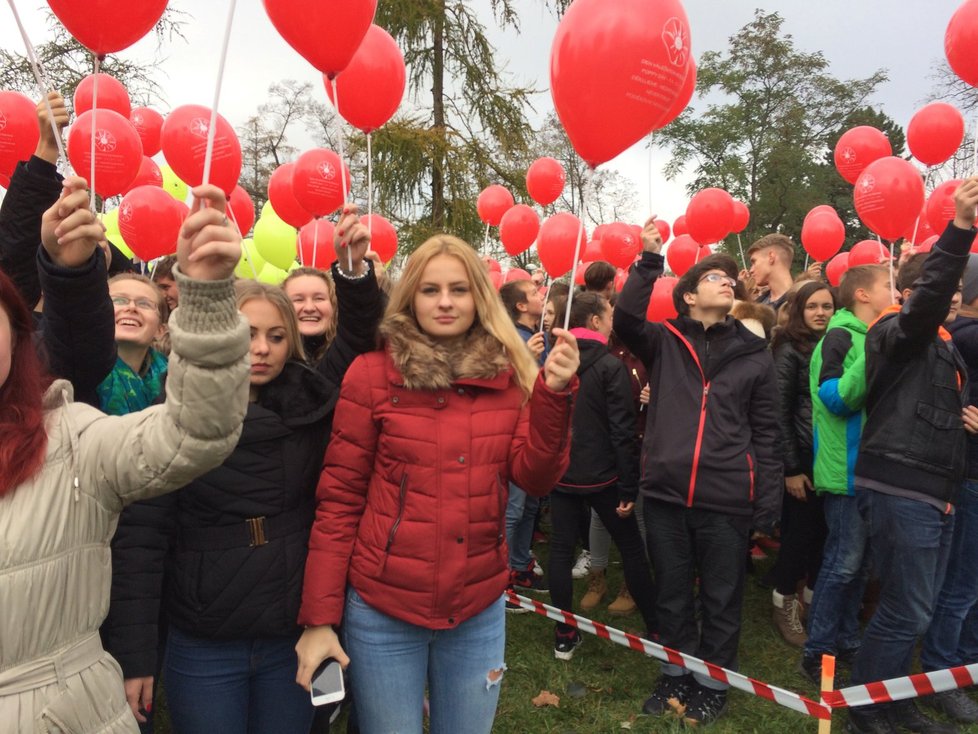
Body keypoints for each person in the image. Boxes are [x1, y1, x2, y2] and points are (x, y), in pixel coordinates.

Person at [295, 235, 580, 734]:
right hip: (384, 607)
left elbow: (534, 476)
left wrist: (552, 398)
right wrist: (319, 619)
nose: (445, 302)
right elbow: (338, 501)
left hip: (477, 606)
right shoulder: (371, 375)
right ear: (410, 297)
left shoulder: (511, 376)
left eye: (458, 289)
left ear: (478, 299)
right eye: (430, 290)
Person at [0, 180, 251, 733]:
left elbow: (194, 429)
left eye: (145, 303)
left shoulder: (69, 435)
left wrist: (206, 299)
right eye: (120, 301)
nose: (132, 311)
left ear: (18, 339)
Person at [119, 206, 381, 734]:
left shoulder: (310, 400)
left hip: (291, 632)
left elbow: (353, 339)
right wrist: (135, 653)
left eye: (276, 336)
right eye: (246, 332)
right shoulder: (174, 417)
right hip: (204, 637)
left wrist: (352, 274)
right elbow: (142, 540)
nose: (260, 348)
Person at [614, 219, 782, 726]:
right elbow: (624, 320)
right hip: (664, 495)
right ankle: (675, 673)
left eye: (730, 278)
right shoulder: (664, 342)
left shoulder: (755, 356)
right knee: (671, 591)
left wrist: (767, 502)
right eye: (713, 278)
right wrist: (647, 261)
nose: (726, 281)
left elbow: (768, 433)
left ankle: (713, 682)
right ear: (687, 297)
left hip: (726, 499)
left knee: (721, 595)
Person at [846, 178, 978, 734]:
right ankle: (865, 712)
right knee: (907, 609)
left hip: (936, 489)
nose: (954, 294)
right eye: (941, 288)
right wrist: (961, 229)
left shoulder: (943, 343)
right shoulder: (896, 331)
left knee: (911, 605)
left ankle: (896, 700)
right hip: (903, 485)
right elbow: (924, 306)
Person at [548, 291, 657, 660]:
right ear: (594, 321)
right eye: (609, 315)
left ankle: (564, 632)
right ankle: (656, 626)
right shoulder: (611, 366)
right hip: (603, 477)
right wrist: (629, 485)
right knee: (630, 549)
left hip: (562, 473)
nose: (613, 323)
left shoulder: (554, 360)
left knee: (560, 551)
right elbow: (623, 430)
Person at [800, 264, 893, 683]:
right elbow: (834, 397)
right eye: (887, 285)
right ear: (862, 295)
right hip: (845, 470)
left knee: (861, 565)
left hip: (871, 471)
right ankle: (818, 650)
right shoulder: (841, 336)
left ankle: (845, 638)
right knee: (842, 564)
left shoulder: (869, 336)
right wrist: (874, 355)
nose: (895, 291)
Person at [920, 254, 978, 725]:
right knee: (962, 585)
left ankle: (965, 663)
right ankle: (943, 671)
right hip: (970, 478)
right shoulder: (968, 337)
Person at [768, 281, 837, 646]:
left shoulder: (837, 344)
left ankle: (812, 600)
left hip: (833, 455)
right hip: (803, 457)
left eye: (827, 306)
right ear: (799, 310)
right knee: (799, 535)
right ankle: (783, 601)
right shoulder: (788, 349)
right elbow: (778, 412)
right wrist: (791, 468)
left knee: (825, 535)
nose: (820, 313)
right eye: (812, 306)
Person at [499, 278, 551, 600]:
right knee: (513, 509)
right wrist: (525, 360)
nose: (540, 295)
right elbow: (504, 387)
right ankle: (499, 575)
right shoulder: (510, 341)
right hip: (515, 435)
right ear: (520, 306)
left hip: (535, 432)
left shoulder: (536, 337)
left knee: (530, 506)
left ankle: (519, 563)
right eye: (533, 293)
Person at [283, 265, 338, 364]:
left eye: (319, 298)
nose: (309, 308)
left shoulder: (348, 354)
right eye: (298, 300)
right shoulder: (268, 359)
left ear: (334, 305)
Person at [748, 233, 796, 311]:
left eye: (754, 262)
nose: (751, 270)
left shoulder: (802, 303)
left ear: (771, 257)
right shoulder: (755, 308)